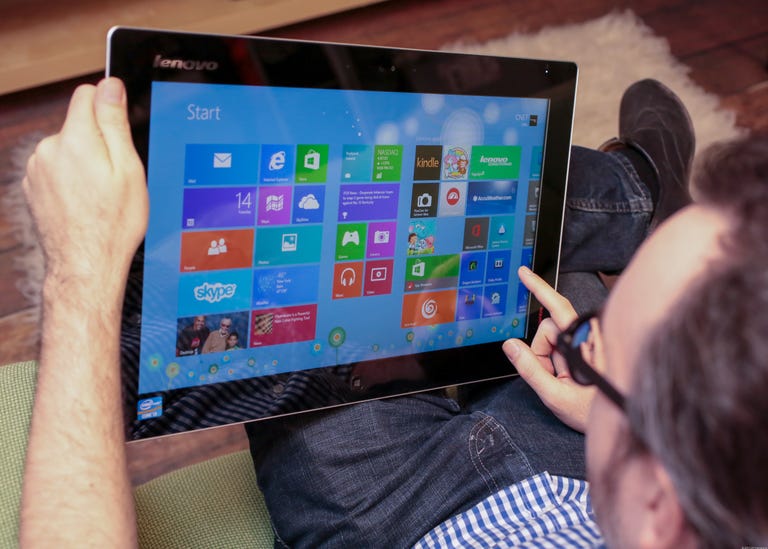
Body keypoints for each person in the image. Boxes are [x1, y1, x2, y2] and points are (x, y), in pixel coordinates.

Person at [19, 76, 767, 547]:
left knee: (295, 270)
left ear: (664, 504)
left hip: (394, 519)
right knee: (492, 218)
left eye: (593, 347)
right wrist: (615, 411)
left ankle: (636, 198)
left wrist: (80, 277)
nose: (581, 341)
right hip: (577, 471)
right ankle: (640, 203)